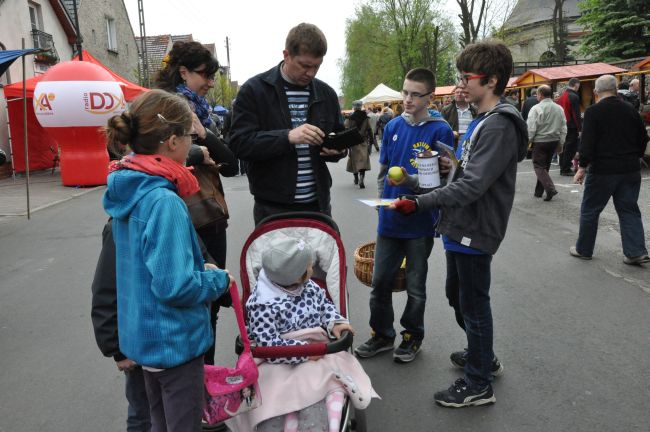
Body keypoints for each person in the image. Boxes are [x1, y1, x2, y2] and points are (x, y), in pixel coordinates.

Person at [390, 42, 528, 407]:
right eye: (460, 76)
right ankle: (482, 355)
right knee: (458, 296)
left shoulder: (499, 125)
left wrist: (419, 202)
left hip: (475, 227)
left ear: (492, 80)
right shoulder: (482, 119)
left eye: (468, 77)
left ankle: (479, 381)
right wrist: (440, 169)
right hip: (459, 224)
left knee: (473, 303)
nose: (461, 84)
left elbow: (473, 185)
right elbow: (465, 173)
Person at [103, 89, 232, 431]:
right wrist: (219, 280)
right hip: (173, 343)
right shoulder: (164, 201)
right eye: (189, 134)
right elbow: (175, 286)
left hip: (145, 340)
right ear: (172, 141)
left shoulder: (130, 188)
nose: (192, 140)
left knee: (159, 423)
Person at [354, 68, 454, 364]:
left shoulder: (440, 130)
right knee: (380, 282)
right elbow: (384, 172)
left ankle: (412, 336)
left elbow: (441, 182)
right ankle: (383, 335)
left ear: (429, 97)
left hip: (420, 222)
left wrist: (409, 183)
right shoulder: (395, 125)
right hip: (390, 221)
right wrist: (383, 204)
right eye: (405, 92)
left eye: (415, 94)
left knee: (415, 287)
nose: (408, 99)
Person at [228, 237, 377, 431]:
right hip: (277, 358)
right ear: (295, 276)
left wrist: (335, 322)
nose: (312, 270)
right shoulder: (262, 304)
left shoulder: (309, 286)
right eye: (308, 267)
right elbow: (267, 344)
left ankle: (314, 424)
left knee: (318, 388)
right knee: (270, 397)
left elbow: (324, 305)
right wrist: (304, 351)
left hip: (318, 350)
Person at [154, 40, 237, 366]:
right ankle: (190, 387)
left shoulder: (199, 113)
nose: (211, 83)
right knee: (186, 307)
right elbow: (147, 154)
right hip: (182, 217)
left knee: (211, 306)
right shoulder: (163, 108)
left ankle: (207, 383)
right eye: (206, 74)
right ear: (183, 71)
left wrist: (203, 136)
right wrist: (197, 153)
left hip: (211, 216)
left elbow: (230, 163)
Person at [229, 23, 346, 225]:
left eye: (317, 66)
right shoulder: (254, 90)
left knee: (322, 258)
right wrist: (287, 137)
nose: (310, 73)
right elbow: (239, 143)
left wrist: (338, 150)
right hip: (273, 207)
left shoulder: (326, 94)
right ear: (286, 55)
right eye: (304, 65)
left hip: (318, 204)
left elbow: (338, 135)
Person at [569, 74, 649, 265]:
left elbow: (587, 144)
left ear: (596, 92)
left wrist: (581, 168)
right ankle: (635, 251)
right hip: (629, 169)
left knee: (590, 209)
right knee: (629, 209)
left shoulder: (593, 112)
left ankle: (584, 249)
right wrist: (635, 155)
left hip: (602, 170)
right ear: (615, 90)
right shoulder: (630, 110)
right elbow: (643, 138)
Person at [91, 219, 151, 432]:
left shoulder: (171, 209)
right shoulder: (119, 225)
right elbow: (105, 289)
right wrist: (116, 349)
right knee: (142, 413)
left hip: (174, 340)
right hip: (138, 345)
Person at [527, 84, 567, 201]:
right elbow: (563, 127)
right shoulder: (559, 108)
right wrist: (561, 143)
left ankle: (550, 189)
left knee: (539, 166)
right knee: (545, 167)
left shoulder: (536, 109)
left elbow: (531, 128)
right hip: (554, 140)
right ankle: (539, 192)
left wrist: (527, 142)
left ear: (539, 94)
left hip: (540, 141)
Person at [557, 77, 582, 176]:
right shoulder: (574, 96)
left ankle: (563, 167)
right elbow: (576, 114)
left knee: (565, 146)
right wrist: (580, 129)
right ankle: (566, 168)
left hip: (563, 125)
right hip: (571, 126)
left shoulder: (562, 96)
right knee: (570, 147)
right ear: (576, 85)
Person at [345, 100, 371, 188]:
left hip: (353, 142)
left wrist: (347, 146)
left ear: (354, 107)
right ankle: (361, 179)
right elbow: (370, 130)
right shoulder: (366, 117)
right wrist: (371, 144)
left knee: (353, 161)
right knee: (363, 161)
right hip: (363, 142)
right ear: (361, 106)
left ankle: (356, 178)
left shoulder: (350, 118)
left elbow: (346, 132)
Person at [441, 85, 477, 150]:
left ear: (466, 94)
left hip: (471, 144)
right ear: (454, 94)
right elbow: (442, 128)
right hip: (453, 145)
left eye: (461, 92)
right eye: (457, 92)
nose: (459, 94)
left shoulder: (475, 110)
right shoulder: (446, 110)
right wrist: (450, 133)